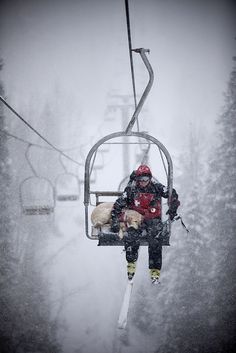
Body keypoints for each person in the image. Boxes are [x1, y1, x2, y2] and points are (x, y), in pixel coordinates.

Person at [111, 165, 180, 284]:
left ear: (149, 179)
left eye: (145, 180)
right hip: (136, 217)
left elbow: (171, 193)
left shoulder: (156, 188)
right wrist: (115, 220)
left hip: (153, 218)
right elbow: (119, 204)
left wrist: (173, 209)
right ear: (137, 179)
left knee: (155, 237)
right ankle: (131, 263)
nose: (143, 182)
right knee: (131, 234)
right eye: (141, 180)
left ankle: (154, 269)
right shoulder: (131, 189)